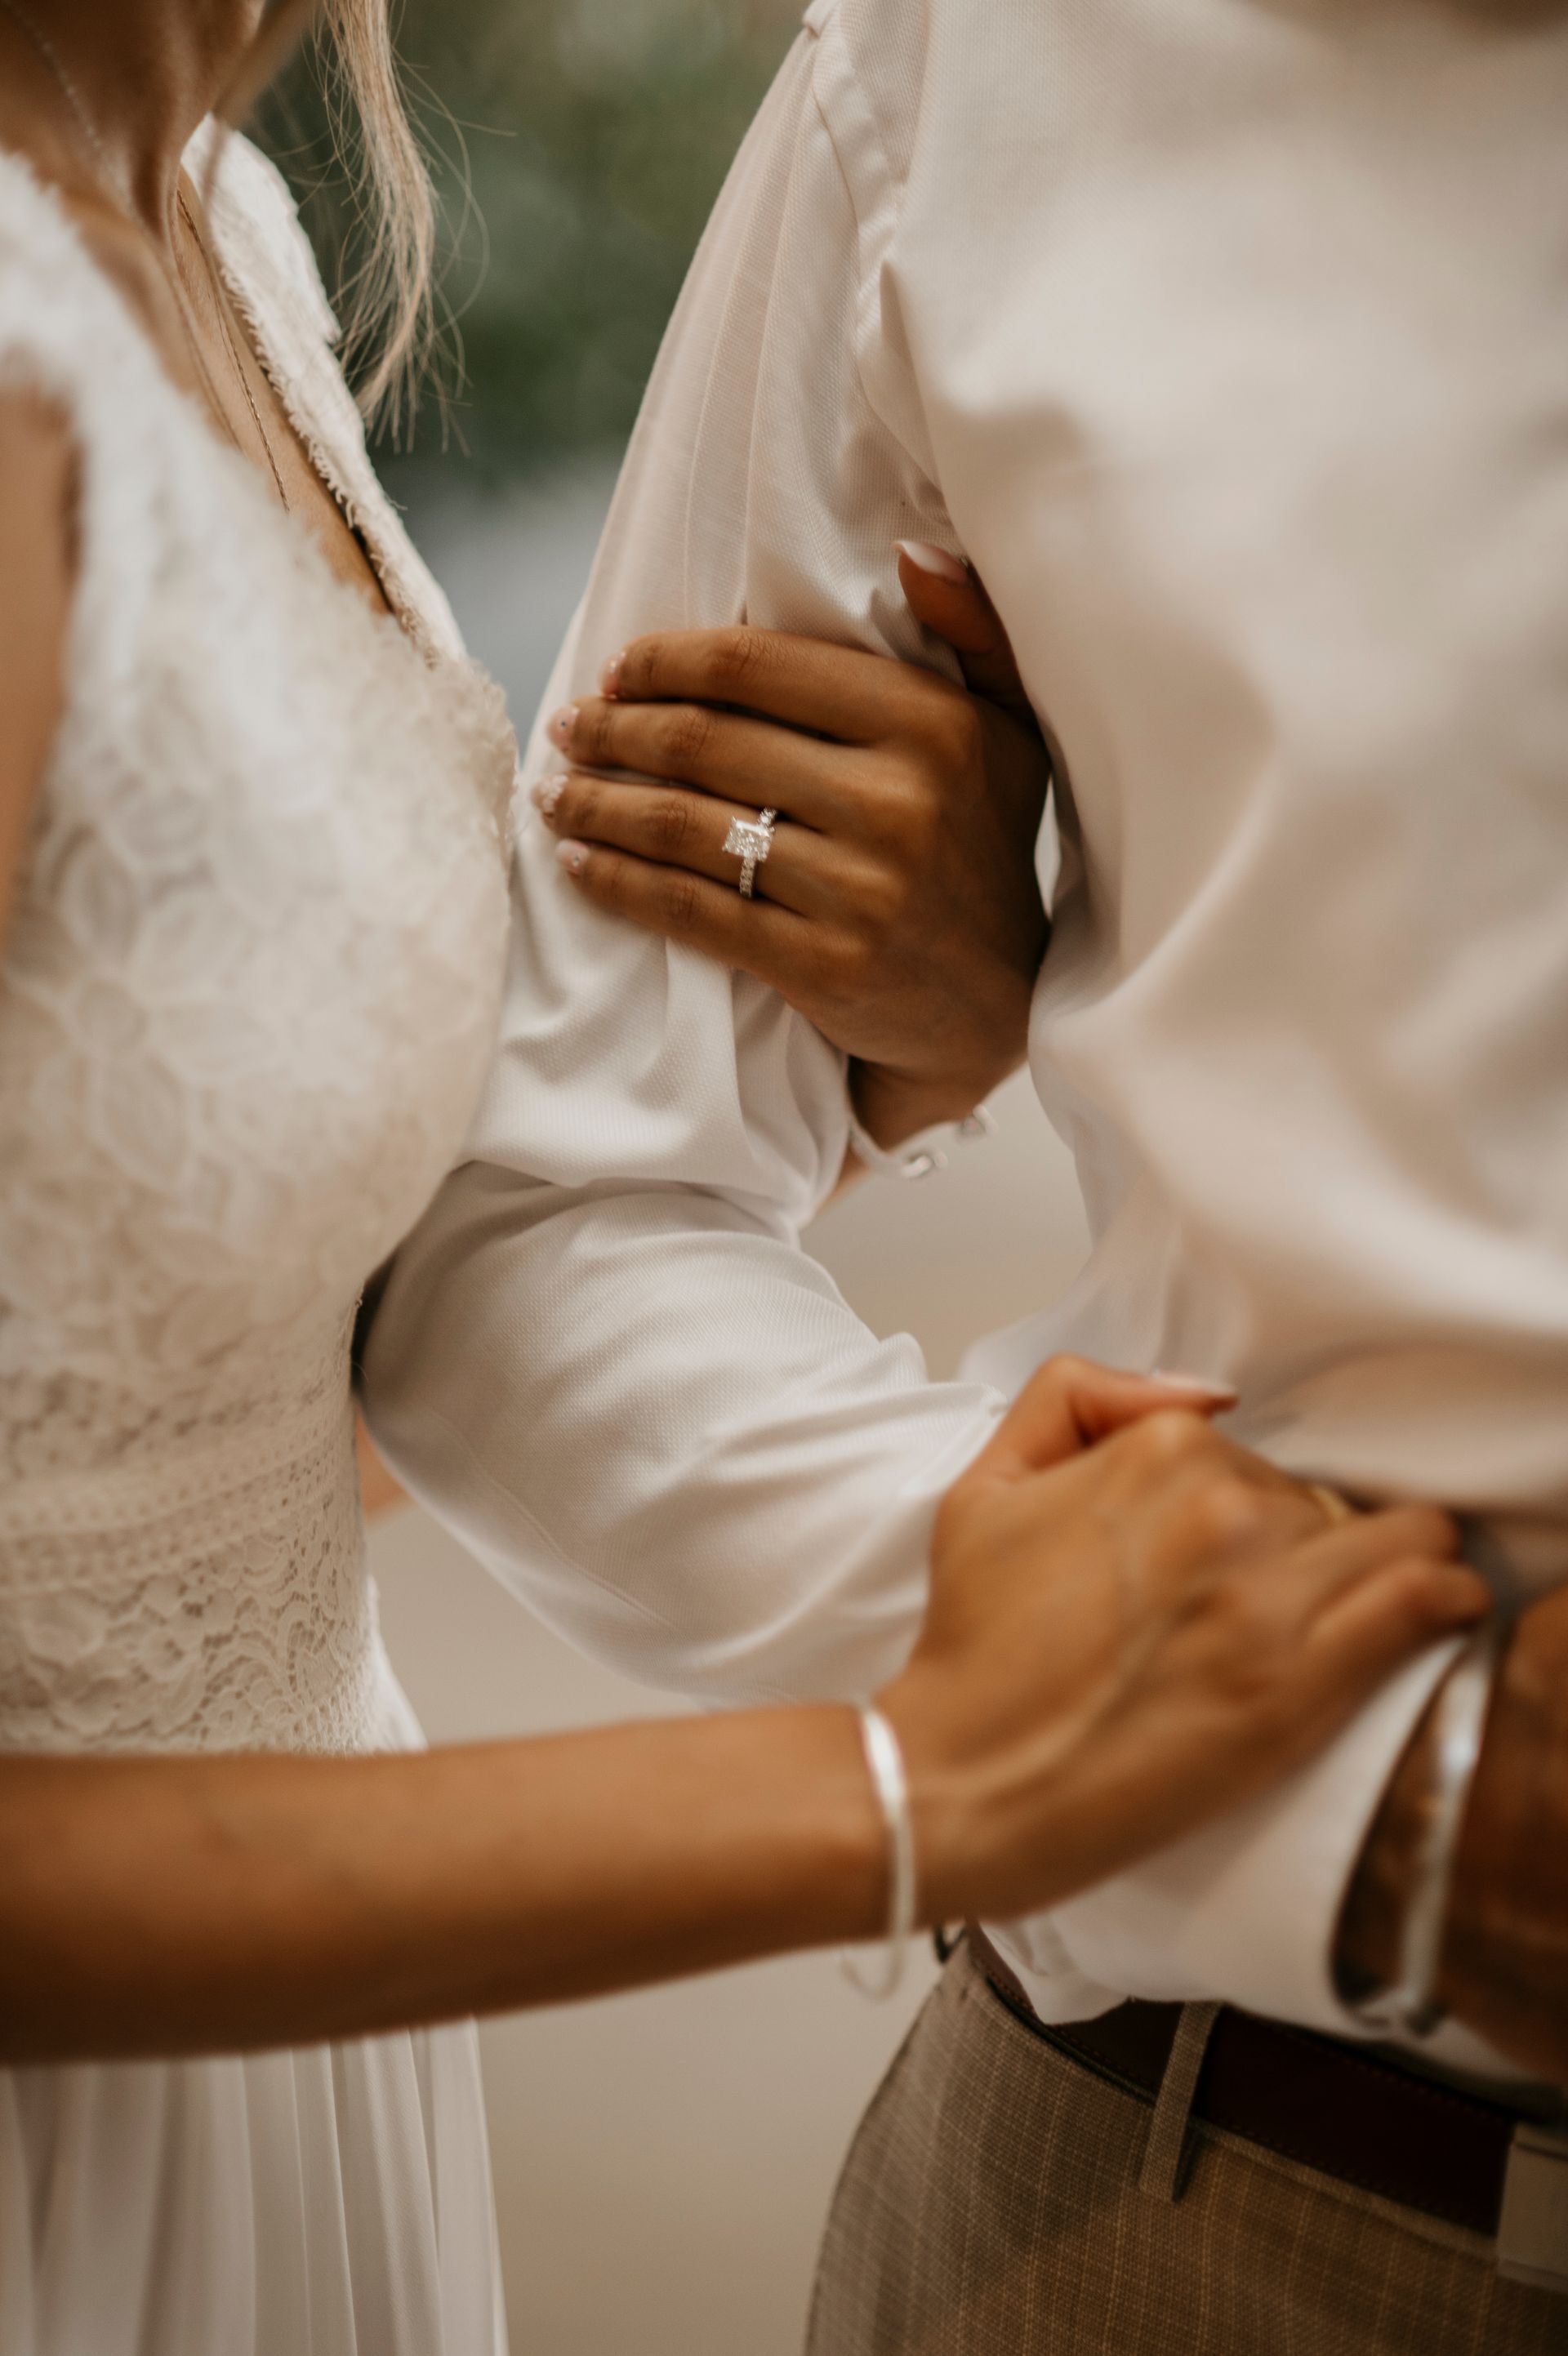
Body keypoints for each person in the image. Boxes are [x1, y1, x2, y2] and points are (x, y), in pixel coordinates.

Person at [0, 4, 1486, 2352]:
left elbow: (199, 1378)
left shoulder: (218, 234)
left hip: (282, 2095)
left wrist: (946, 1035)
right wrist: (925, 1776)